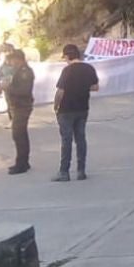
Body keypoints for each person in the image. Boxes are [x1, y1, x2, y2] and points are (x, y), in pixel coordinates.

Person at [53, 43, 99, 181]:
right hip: (82, 107)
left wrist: (56, 105)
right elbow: (95, 87)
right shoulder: (89, 68)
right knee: (81, 139)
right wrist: (82, 87)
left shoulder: (67, 71)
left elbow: (60, 91)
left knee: (66, 140)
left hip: (66, 109)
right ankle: (81, 170)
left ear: (67, 56)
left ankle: (64, 171)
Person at [0, 49, 36, 174]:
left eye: (12, 60)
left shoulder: (25, 72)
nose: (10, 62)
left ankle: (22, 163)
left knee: (19, 135)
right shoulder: (17, 71)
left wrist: (8, 88)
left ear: (18, 59)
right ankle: (23, 161)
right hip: (16, 105)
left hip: (22, 106)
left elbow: (24, 90)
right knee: (19, 135)